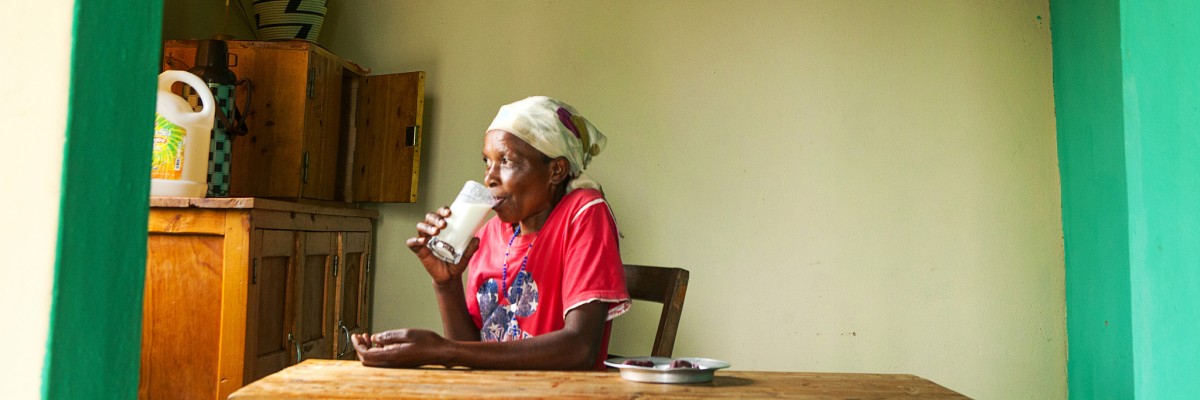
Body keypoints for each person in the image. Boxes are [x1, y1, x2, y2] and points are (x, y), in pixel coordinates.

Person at [352, 96, 630, 370]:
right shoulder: (488, 234)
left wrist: (442, 351)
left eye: (506, 161)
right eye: (487, 161)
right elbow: (470, 352)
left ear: (556, 170)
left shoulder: (584, 212)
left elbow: (580, 348)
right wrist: (446, 284)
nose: (489, 177)